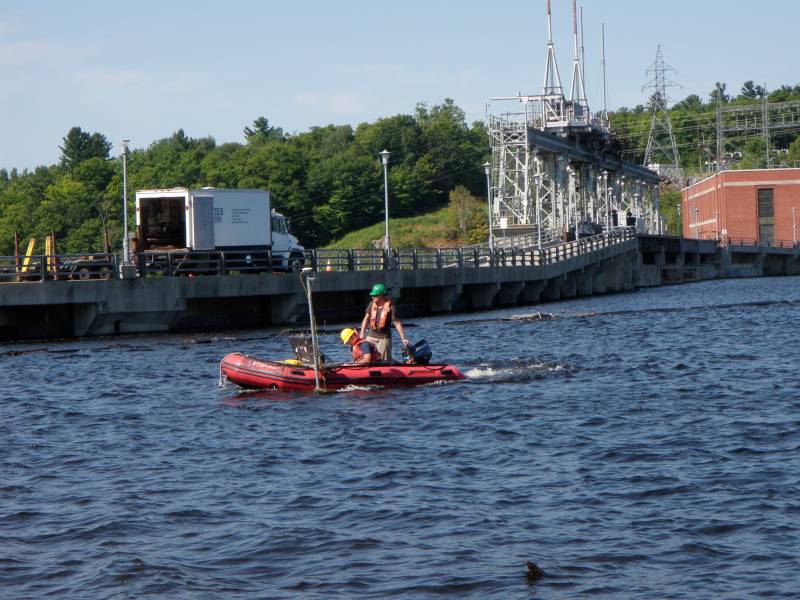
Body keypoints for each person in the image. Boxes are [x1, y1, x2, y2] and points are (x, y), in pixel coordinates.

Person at [359, 282, 408, 362]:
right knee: (368, 358)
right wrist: (362, 334)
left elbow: (397, 323)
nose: (372, 297)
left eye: (374, 295)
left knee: (383, 361)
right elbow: (366, 319)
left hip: (383, 339)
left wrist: (403, 338)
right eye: (372, 295)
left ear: (381, 295)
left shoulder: (390, 308)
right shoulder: (371, 305)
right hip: (371, 337)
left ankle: (395, 366)